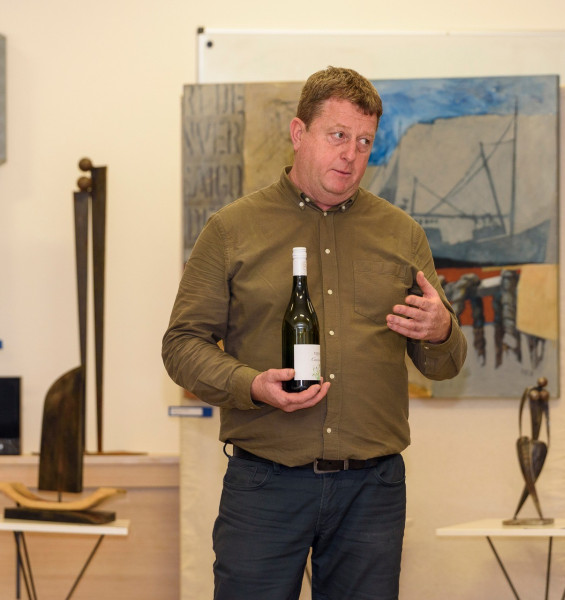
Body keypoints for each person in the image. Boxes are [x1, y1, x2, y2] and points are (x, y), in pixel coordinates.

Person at [162, 66, 467, 600]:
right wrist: (251, 384)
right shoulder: (231, 230)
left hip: (372, 490)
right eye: (338, 135)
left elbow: (443, 364)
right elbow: (182, 345)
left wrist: (441, 331)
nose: (351, 154)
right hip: (265, 485)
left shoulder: (403, 235)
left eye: (364, 141)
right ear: (299, 133)